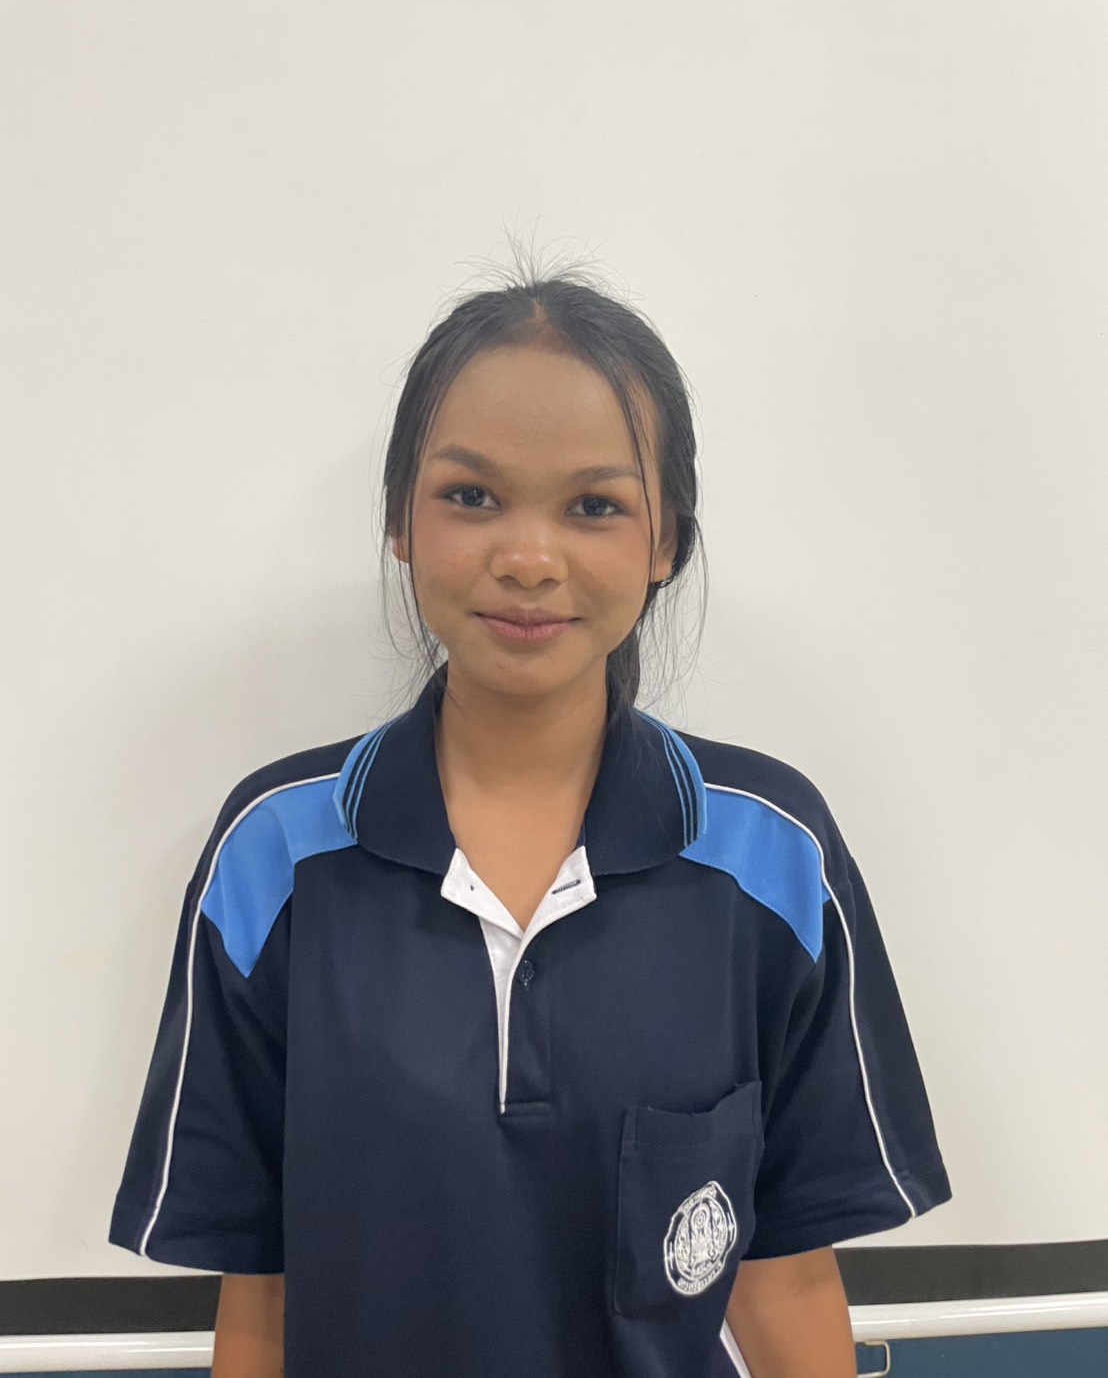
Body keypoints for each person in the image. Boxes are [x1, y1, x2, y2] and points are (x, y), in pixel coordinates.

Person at [109, 260, 952, 1378]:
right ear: (399, 521)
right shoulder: (274, 856)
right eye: (471, 496)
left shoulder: (771, 855)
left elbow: (784, 1272)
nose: (527, 558)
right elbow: (259, 1289)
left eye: (594, 506)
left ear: (665, 543)